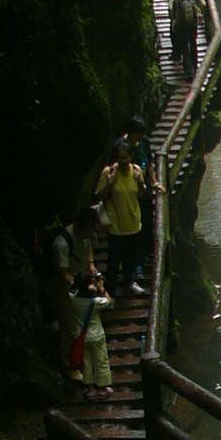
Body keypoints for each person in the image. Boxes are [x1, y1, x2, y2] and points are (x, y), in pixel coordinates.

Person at [95, 141, 146, 296]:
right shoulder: (108, 172)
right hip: (116, 224)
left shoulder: (136, 171)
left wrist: (142, 183)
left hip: (133, 221)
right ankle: (110, 289)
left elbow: (141, 195)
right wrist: (110, 183)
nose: (124, 161)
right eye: (120, 158)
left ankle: (129, 283)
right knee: (114, 261)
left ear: (131, 157)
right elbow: (100, 196)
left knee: (131, 257)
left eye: (127, 157)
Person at [67, 271, 114, 399]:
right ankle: (103, 388)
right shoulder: (96, 301)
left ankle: (90, 388)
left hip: (82, 336)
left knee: (86, 363)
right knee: (101, 361)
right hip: (96, 335)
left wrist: (87, 283)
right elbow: (110, 302)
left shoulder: (73, 298)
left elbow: (73, 287)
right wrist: (101, 287)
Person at [122, 115, 158, 280]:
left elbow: (150, 162)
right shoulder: (122, 147)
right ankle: (135, 267)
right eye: (138, 134)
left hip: (145, 192)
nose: (140, 137)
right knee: (135, 230)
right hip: (130, 196)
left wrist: (154, 181)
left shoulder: (144, 142)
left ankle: (146, 257)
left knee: (147, 224)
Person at [169, 0, 205, 79]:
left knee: (184, 45)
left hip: (180, 23)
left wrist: (173, 22)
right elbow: (203, 3)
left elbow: (170, 8)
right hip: (193, 21)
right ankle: (195, 67)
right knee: (193, 42)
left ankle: (190, 73)